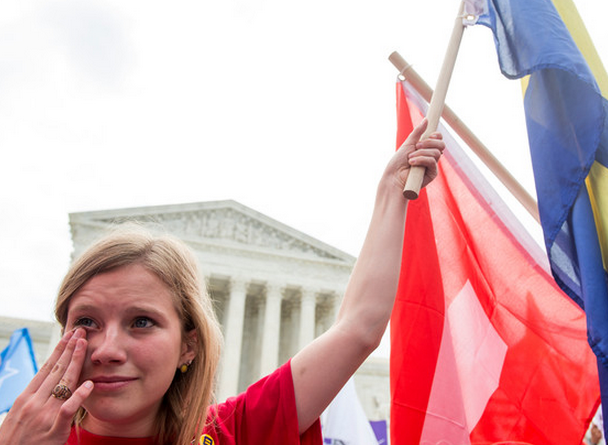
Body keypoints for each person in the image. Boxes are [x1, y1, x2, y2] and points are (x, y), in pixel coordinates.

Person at [0, 119, 444, 445]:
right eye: (86, 322)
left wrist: (392, 193)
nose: (107, 349)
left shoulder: (233, 432)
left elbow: (359, 327)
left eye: (141, 322)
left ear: (188, 345)